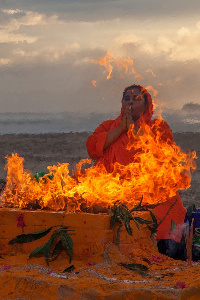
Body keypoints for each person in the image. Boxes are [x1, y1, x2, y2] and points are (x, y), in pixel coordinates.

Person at [86, 84, 187, 258]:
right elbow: (93, 148)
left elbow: (158, 152)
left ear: (147, 105)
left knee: (165, 216)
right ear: (121, 103)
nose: (130, 102)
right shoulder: (108, 126)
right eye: (127, 99)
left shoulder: (159, 127)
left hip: (149, 189)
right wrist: (120, 129)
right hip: (112, 188)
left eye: (136, 99)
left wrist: (132, 127)